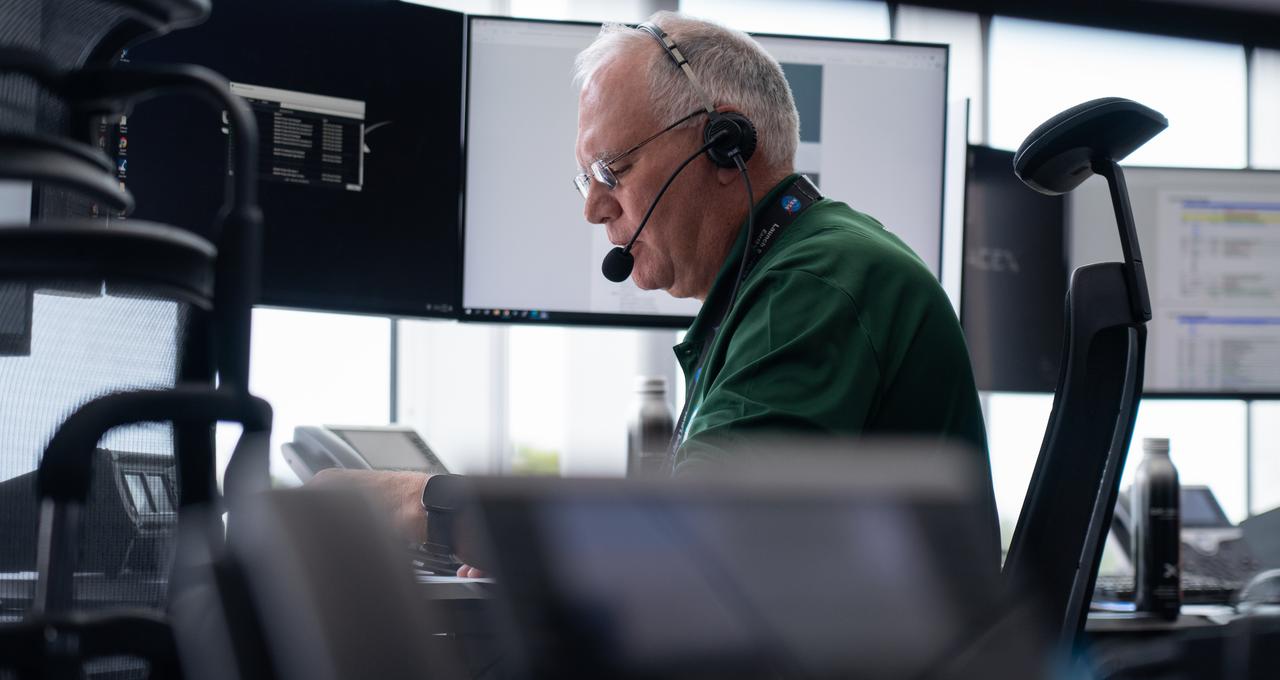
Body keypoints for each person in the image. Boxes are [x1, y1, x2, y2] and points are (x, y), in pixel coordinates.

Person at [316, 10, 997, 573]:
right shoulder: (788, 277)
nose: (595, 210)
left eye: (613, 168)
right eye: (589, 180)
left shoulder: (819, 281)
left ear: (725, 146)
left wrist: (421, 505)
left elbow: (693, 540)